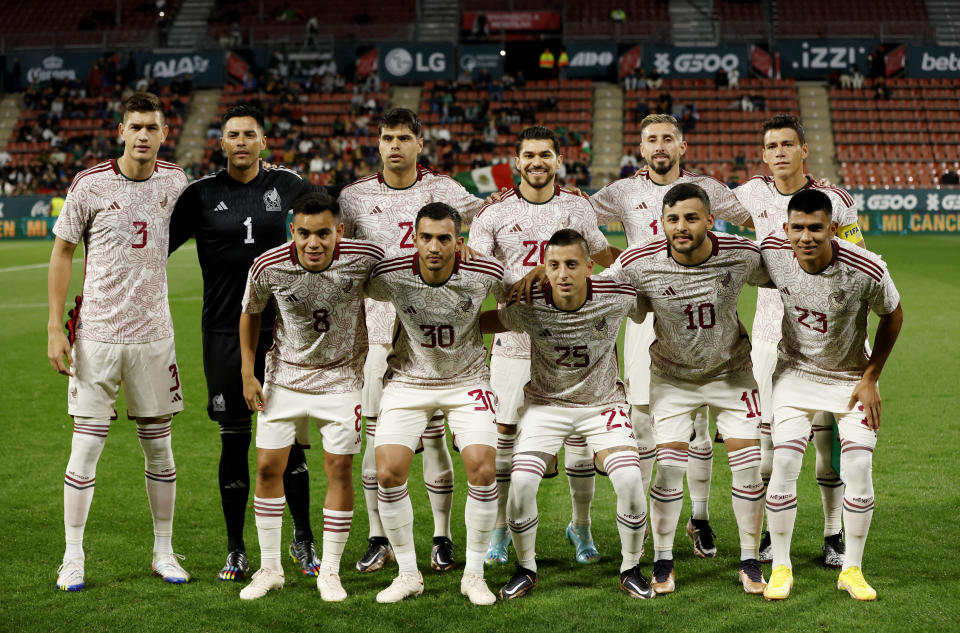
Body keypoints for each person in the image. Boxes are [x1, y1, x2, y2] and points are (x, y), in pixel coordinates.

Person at [169, 104, 324, 582]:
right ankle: (236, 549)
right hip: (222, 332)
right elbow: (155, 249)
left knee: (290, 442)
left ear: (263, 141)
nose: (240, 141)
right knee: (233, 441)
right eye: (232, 134)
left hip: (285, 333)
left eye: (249, 134)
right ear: (221, 141)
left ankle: (303, 540)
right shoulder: (200, 194)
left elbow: (335, 222)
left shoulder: (289, 186)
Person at [590, 113, 754, 559]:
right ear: (640, 149)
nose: (659, 146)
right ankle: (640, 526)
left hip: (705, 319)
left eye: (668, 139)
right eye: (651, 140)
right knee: (643, 424)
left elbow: (761, 216)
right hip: (646, 318)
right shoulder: (622, 191)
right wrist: (611, 256)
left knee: (701, 428)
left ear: (682, 146)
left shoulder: (710, 189)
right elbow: (577, 218)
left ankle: (699, 518)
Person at [47, 92, 190, 591]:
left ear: (164, 132)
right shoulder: (88, 184)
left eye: (152, 127)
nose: (143, 135)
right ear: (121, 131)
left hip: (154, 339)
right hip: (98, 339)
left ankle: (164, 551)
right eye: (135, 126)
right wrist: (52, 328)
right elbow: (62, 252)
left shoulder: (176, 182)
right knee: (84, 452)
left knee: (159, 449)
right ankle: (72, 556)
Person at [338, 108, 486, 574]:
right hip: (376, 331)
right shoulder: (354, 197)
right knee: (377, 441)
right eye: (387, 137)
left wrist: (468, 244)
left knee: (437, 437)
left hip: (438, 334)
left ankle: (441, 537)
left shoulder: (445, 190)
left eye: (404, 137)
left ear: (420, 143)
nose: (395, 145)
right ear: (377, 144)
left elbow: (484, 221)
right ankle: (378, 535)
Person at [604, 183, 768, 596]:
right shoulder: (639, 262)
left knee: (749, 467)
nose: (681, 227)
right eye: (673, 219)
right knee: (669, 468)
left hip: (732, 375)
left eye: (692, 218)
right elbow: (598, 294)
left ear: (711, 220)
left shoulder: (741, 253)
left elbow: (788, 272)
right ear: (661, 223)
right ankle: (662, 560)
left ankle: (750, 560)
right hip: (673, 379)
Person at [468, 126, 620, 566]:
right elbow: (479, 271)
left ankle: (582, 527)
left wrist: (637, 267)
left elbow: (598, 256)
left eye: (546, 154)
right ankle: (500, 531)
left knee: (577, 439)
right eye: (529, 155)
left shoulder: (576, 205)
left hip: (576, 343)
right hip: (514, 343)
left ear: (558, 160)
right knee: (505, 441)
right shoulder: (492, 215)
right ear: (517, 162)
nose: (537, 162)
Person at [479, 229, 654, 600]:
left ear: (590, 267)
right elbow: (490, 322)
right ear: (544, 268)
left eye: (572, 264)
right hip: (546, 405)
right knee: (522, 482)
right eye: (554, 265)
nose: (562, 274)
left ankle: (630, 566)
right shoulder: (530, 304)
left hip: (602, 405)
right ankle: (526, 567)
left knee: (629, 480)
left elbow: (656, 301)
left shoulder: (617, 296)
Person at [236, 191, 384, 601]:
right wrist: (248, 374)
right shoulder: (269, 264)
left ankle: (331, 572)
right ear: (292, 231)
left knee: (338, 471)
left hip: (341, 379)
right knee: (267, 468)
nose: (313, 243)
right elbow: (250, 313)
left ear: (339, 231)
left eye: (322, 233)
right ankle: (270, 569)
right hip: (285, 377)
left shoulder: (365, 257)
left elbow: (406, 283)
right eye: (303, 233)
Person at [734, 113, 866, 567]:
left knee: (827, 448)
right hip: (772, 338)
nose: (780, 153)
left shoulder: (836, 201)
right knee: (772, 448)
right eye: (772, 146)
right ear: (765, 153)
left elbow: (860, 263)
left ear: (804, 149)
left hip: (830, 340)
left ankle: (834, 533)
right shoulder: (751, 194)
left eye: (788, 145)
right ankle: (775, 534)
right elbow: (705, 214)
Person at [760, 189, 902, 601]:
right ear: (786, 229)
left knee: (858, 466)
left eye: (816, 228)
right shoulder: (772, 251)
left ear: (833, 229)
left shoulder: (866, 268)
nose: (806, 237)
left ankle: (852, 570)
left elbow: (893, 314)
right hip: (794, 373)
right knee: (784, 459)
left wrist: (872, 377)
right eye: (797, 228)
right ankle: (781, 566)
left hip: (851, 376)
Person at [365, 203, 505, 605]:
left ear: (459, 243)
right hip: (409, 380)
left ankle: (474, 575)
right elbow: (352, 286)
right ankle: (408, 573)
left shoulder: (485, 272)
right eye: (426, 237)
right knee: (388, 472)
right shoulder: (392, 273)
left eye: (445, 238)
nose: (434, 246)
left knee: (481, 466)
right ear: (414, 239)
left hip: (467, 380)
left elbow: (517, 301)